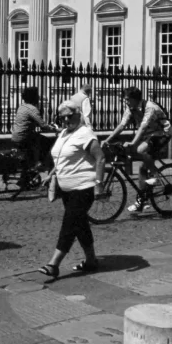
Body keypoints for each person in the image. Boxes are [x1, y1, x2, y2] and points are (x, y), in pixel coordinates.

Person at [37, 100, 107, 280]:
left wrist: (99, 186)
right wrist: (51, 174)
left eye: (70, 115)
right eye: (63, 117)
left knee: (69, 224)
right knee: (80, 224)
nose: (67, 120)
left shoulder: (85, 134)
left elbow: (100, 159)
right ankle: (91, 261)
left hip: (84, 188)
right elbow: (60, 158)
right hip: (66, 189)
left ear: (78, 114)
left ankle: (54, 264)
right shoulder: (64, 134)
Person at [103, 86, 172, 213]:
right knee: (142, 168)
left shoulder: (150, 107)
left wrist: (133, 143)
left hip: (162, 133)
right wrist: (107, 140)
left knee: (141, 150)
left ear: (135, 99)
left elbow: (142, 127)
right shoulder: (131, 108)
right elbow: (121, 125)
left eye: (127, 99)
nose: (126, 102)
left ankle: (156, 177)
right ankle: (142, 200)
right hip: (149, 135)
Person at [11, 86, 52, 173]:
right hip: (24, 137)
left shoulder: (22, 107)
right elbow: (43, 125)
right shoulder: (32, 109)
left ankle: (27, 173)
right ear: (34, 97)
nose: (39, 97)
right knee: (47, 142)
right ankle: (40, 163)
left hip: (16, 136)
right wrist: (52, 128)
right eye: (37, 96)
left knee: (30, 152)